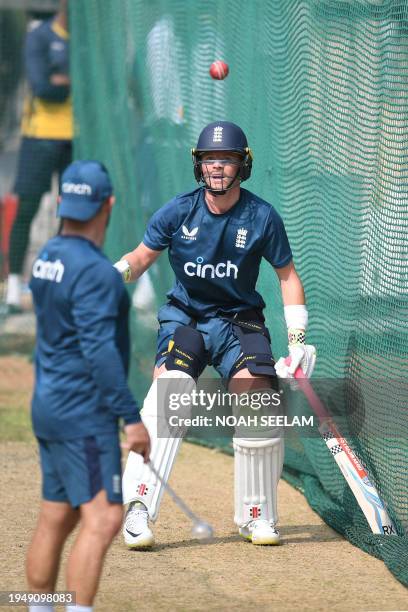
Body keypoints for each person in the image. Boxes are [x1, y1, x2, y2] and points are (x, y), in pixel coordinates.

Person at [115, 121, 316, 548]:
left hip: (240, 321)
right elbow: (142, 256)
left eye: (226, 160)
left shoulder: (262, 216)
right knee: (169, 395)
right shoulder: (178, 211)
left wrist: (298, 340)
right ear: (198, 165)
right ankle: (138, 508)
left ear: (243, 165)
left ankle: (256, 515)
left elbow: (288, 277)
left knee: (259, 398)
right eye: (210, 160)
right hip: (186, 317)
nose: (217, 168)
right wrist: (114, 273)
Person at [27, 160, 150, 612]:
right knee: (105, 517)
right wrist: (131, 419)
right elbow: (100, 353)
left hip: (48, 404)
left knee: (57, 517)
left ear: (62, 203)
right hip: (84, 413)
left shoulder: (47, 257)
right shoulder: (97, 273)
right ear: (109, 205)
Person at [6, 0, 72, 313]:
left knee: (73, 213)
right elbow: (44, 87)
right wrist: (66, 82)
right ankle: (14, 288)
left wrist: (63, 78)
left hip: (77, 138)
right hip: (40, 136)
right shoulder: (40, 36)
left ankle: (59, 285)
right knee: (27, 208)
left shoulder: (87, 45)